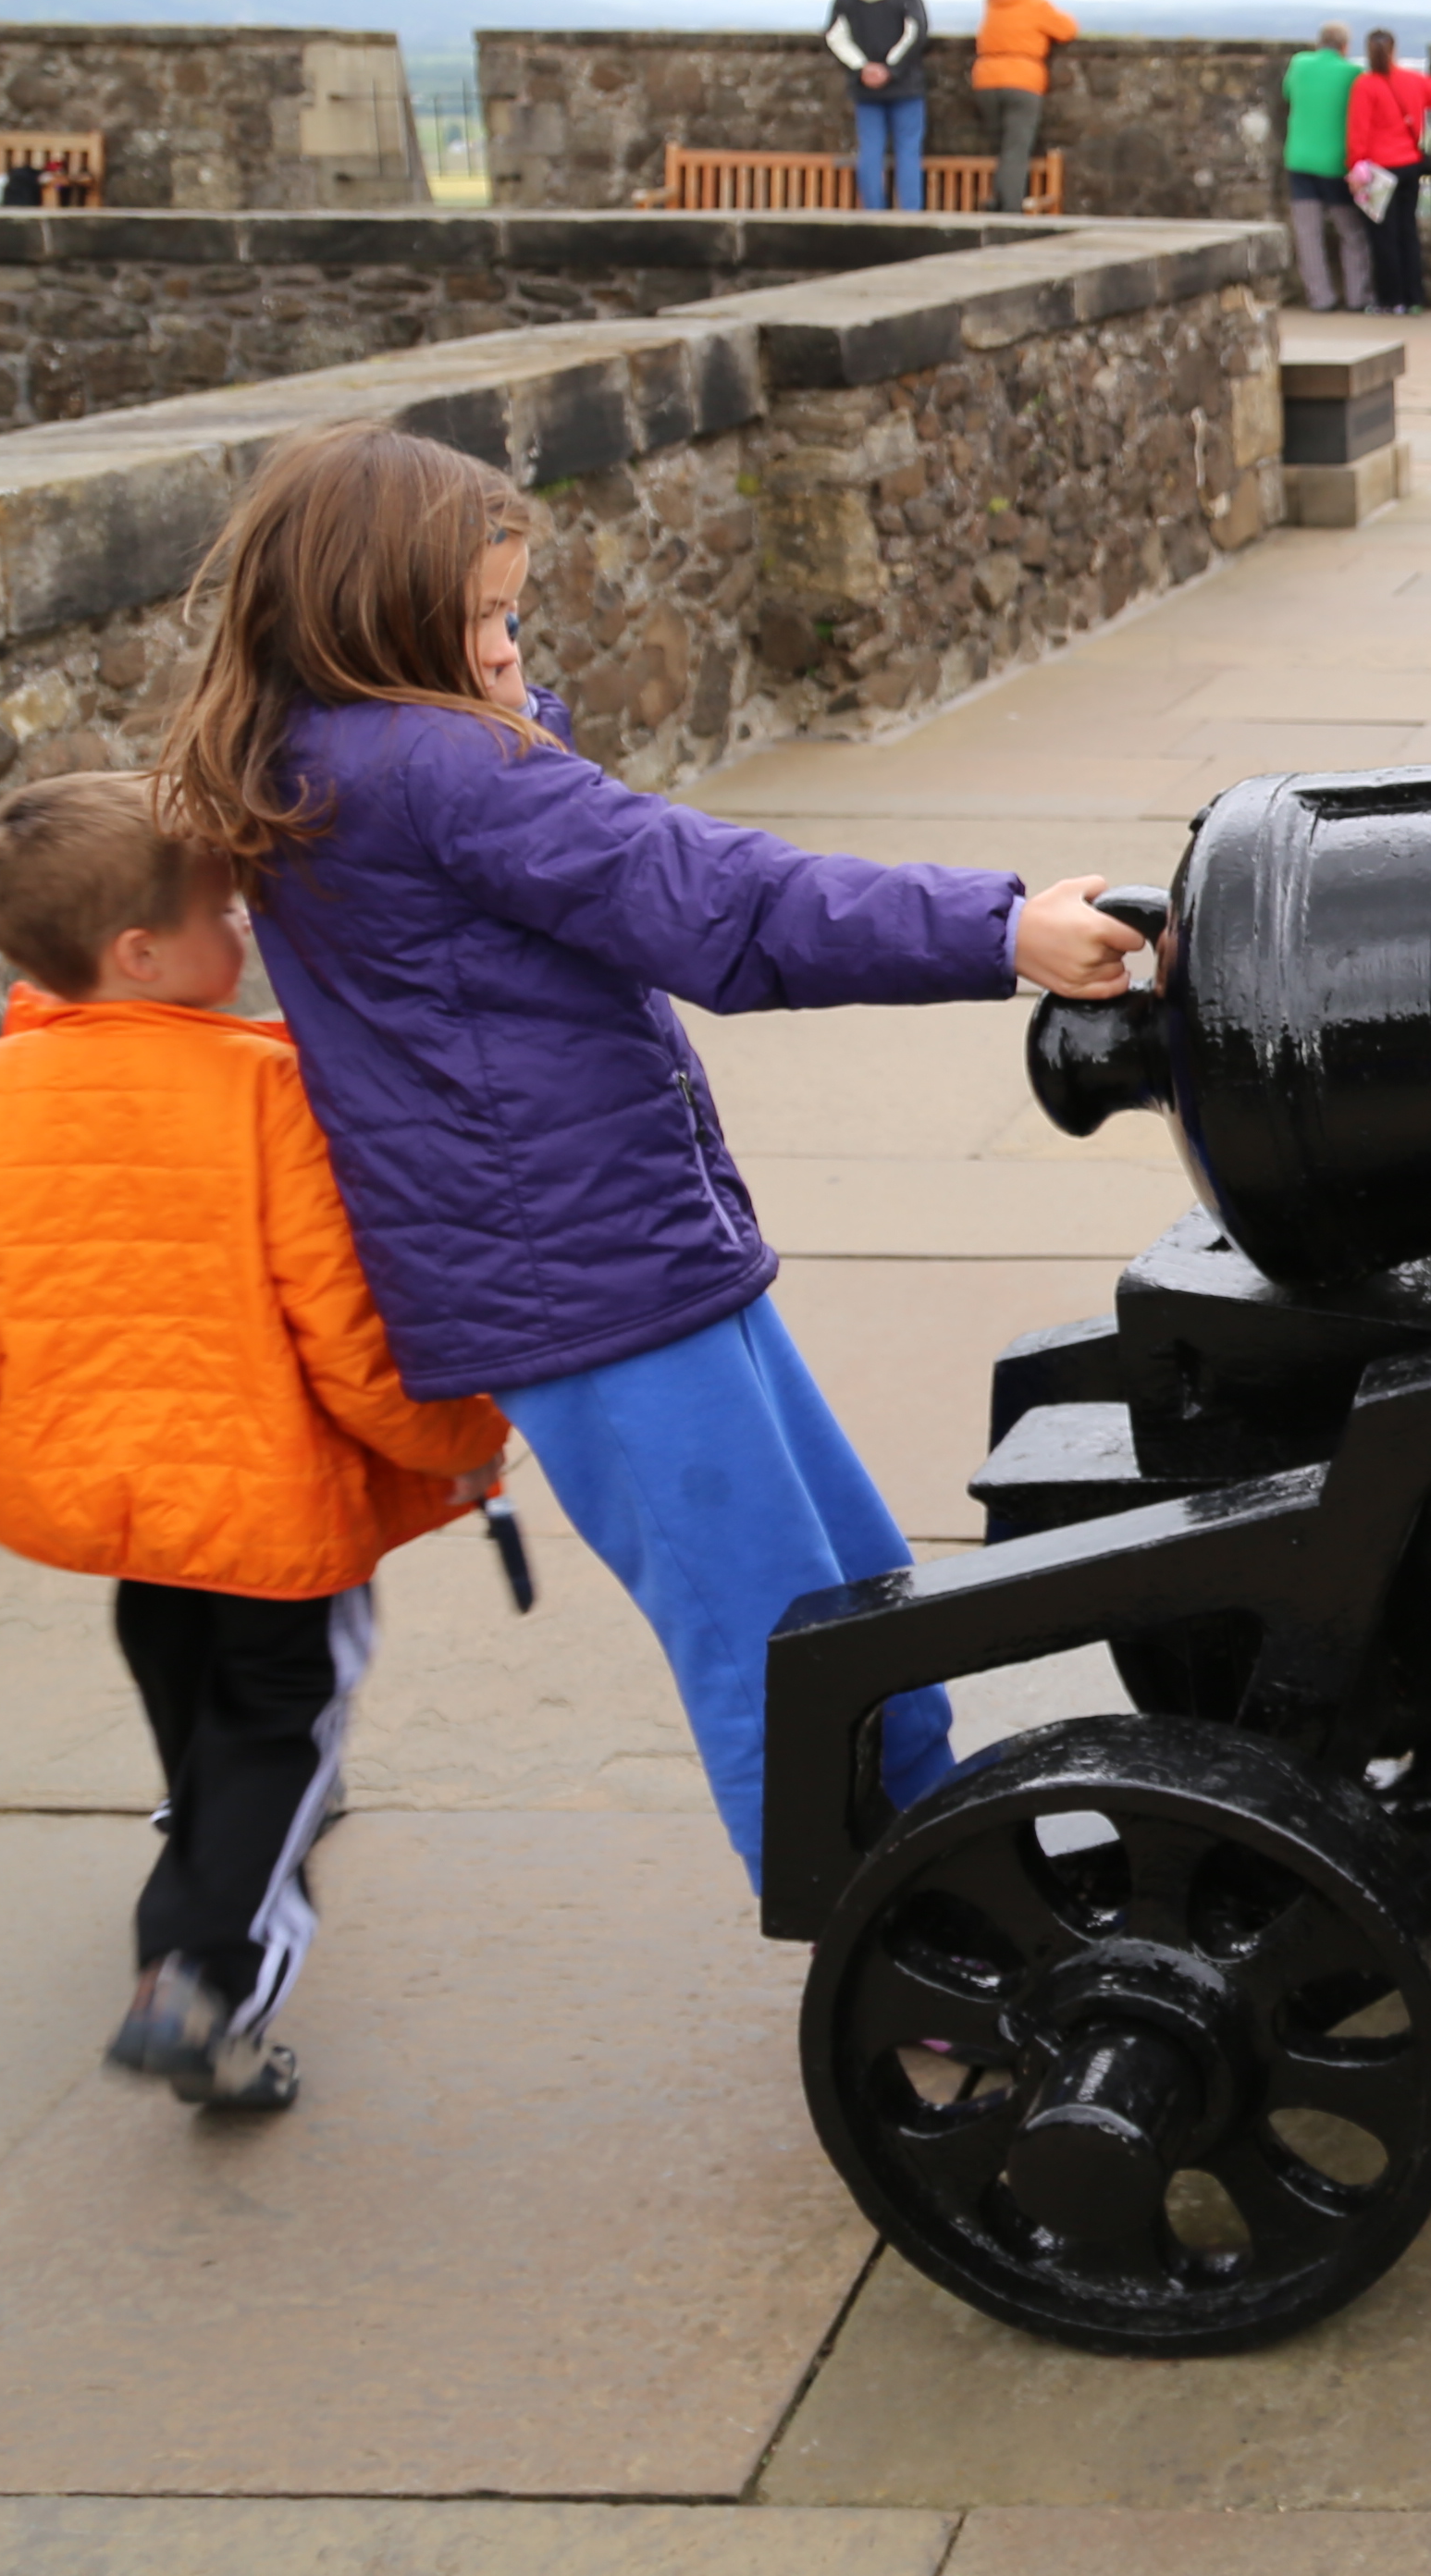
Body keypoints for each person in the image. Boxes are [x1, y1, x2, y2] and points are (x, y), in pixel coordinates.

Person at [151, 424, 1143, 1888]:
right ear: (389, 614)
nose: (508, 645)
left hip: (621, 1252)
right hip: (589, 1280)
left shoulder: (338, 752)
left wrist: (504, 701)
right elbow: (720, 903)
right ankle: (904, 1957)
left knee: (851, 1589)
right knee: (779, 1641)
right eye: (488, 617)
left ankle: (948, 1881)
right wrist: (1000, 931)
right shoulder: (435, 766)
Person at [0, 770, 515, 2115]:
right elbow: (343, 1326)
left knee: (187, 1697)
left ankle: (204, 1842)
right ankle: (203, 1976)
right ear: (141, 952)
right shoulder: (263, 1088)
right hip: (273, 1518)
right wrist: (459, 1439)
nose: (249, 938)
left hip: (119, 1512)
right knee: (286, 1725)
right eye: (228, 915)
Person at [1346, 30, 1431, 315]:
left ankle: (1390, 299)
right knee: (1408, 232)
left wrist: (1355, 163)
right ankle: (1413, 296)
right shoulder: (1411, 81)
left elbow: (1359, 131)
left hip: (1380, 171)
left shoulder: (1365, 85)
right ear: (1394, 51)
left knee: (1383, 236)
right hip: (1410, 165)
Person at [823, 0, 931, 216]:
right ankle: (910, 213)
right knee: (908, 151)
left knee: (870, 150)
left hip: (865, 89)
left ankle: (874, 213)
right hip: (905, 86)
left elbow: (835, 36)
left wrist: (863, 68)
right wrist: (891, 69)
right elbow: (916, 32)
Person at [969, 0, 1079, 215]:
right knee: (1016, 149)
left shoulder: (993, 5)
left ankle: (998, 198)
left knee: (1000, 146)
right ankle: (1010, 209)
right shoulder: (1034, 4)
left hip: (985, 80)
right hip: (1022, 81)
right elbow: (1067, 30)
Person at [1281, 21, 1369, 312]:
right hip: (1336, 164)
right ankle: (1357, 296)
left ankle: (1321, 298)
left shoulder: (1300, 64)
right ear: (1345, 47)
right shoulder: (1353, 73)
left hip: (1300, 160)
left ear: (1319, 43)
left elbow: (1287, 93)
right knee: (1351, 232)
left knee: (1308, 234)